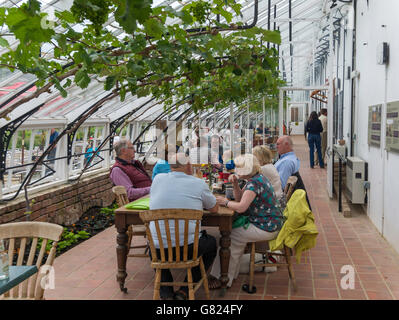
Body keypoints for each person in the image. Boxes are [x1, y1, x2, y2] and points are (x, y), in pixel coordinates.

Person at [149, 152, 219, 300]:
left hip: (160, 251)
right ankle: (185, 291)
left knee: (154, 249)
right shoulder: (198, 183)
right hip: (188, 250)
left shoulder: (157, 179)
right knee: (212, 243)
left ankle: (166, 293)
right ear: (188, 165)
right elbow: (214, 209)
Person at [208, 154, 283, 289]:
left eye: (238, 168)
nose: (235, 170)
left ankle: (223, 277)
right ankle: (227, 275)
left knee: (230, 237)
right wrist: (235, 183)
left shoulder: (254, 183)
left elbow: (241, 207)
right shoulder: (256, 178)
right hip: (270, 222)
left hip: (266, 226)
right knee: (233, 237)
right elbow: (240, 199)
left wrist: (225, 202)